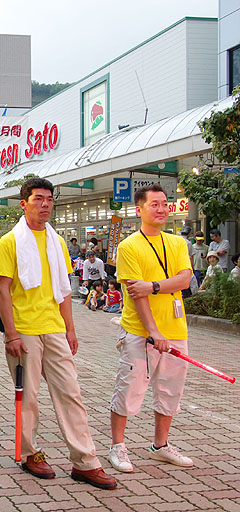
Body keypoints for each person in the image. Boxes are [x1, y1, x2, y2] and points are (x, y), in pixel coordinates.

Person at [0, 177, 116, 490]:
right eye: (38, 199)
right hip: (24, 331)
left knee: (71, 394)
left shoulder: (57, 241)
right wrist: (11, 335)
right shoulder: (10, 241)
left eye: (48, 199)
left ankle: (85, 462)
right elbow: (3, 290)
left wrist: (70, 329)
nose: (45, 204)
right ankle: (29, 453)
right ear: (24, 203)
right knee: (28, 398)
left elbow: (63, 291)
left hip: (55, 328)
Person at [108, 183, 193, 474]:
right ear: (139, 209)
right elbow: (136, 293)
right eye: (154, 204)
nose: (161, 209)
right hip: (140, 332)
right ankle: (117, 447)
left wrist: (154, 285)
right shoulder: (129, 246)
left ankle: (161, 446)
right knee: (129, 389)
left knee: (170, 391)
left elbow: (184, 280)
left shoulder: (178, 243)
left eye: (165, 203)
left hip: (176, 329)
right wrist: (154, 331)